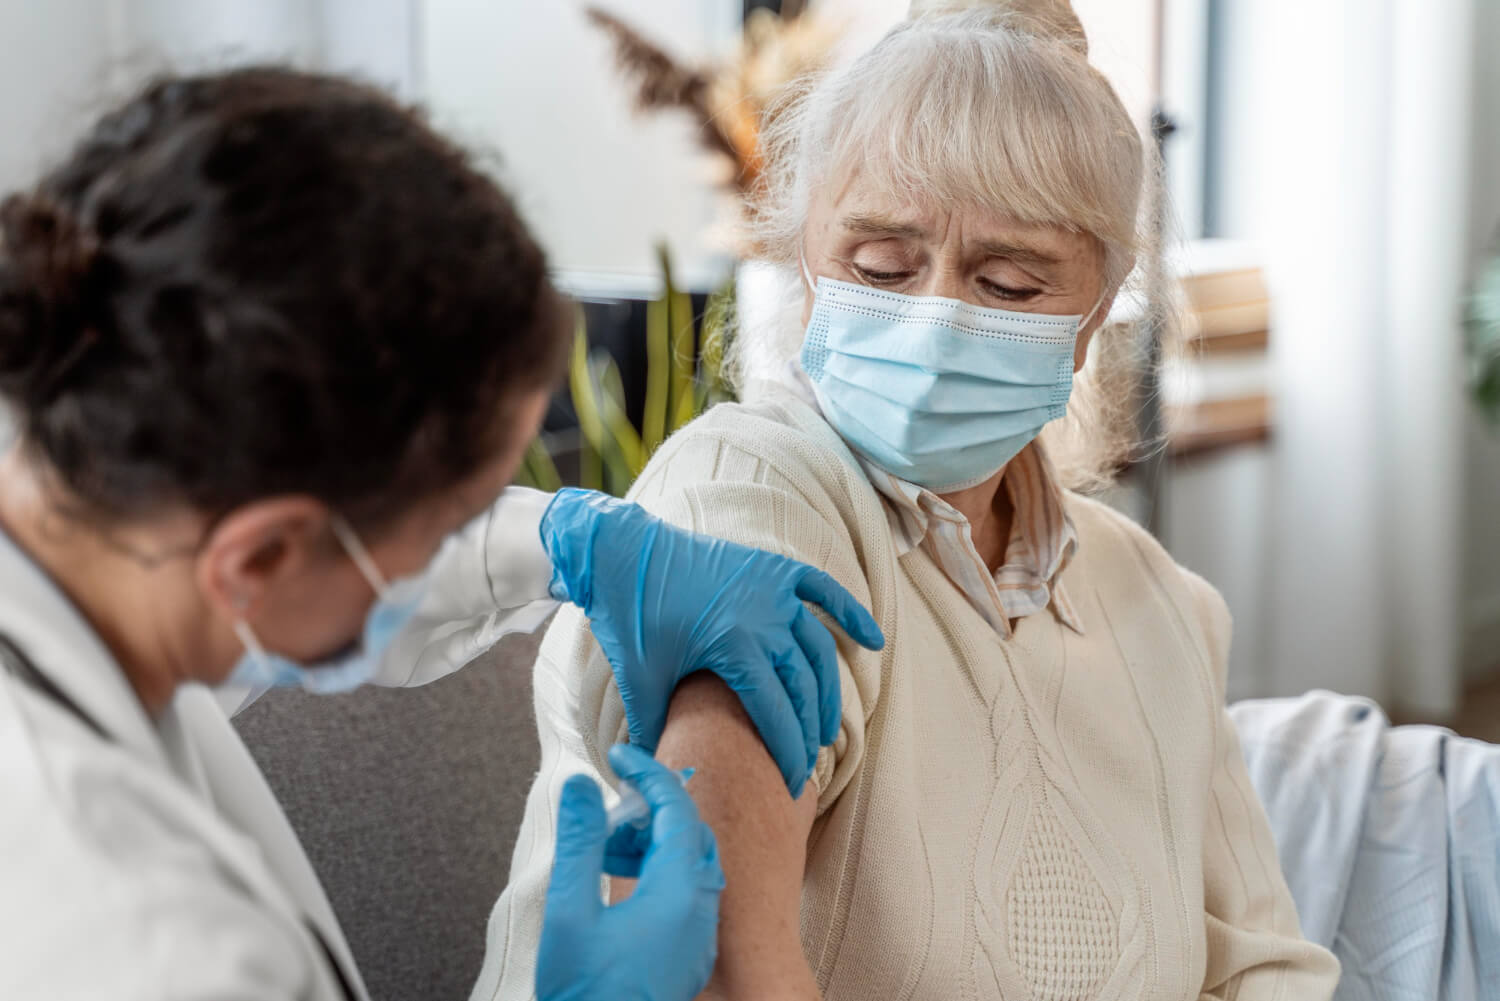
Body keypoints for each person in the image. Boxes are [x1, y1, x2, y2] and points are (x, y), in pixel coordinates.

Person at [482, 3, 1341, 999]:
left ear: (1096, 311)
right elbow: (720, 962)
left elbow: (1265, 963)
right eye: (881, 266)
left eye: (1010, 283)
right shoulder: (756, 495)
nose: (934, 320)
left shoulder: (1160, 599)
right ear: (808, 258)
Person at [0, 68, 883, 1001]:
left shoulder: (97, 499)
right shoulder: (133, 936)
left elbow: (334, 561)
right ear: (258, 557)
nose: (456, 544)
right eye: (447, 521)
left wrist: (566, 536)